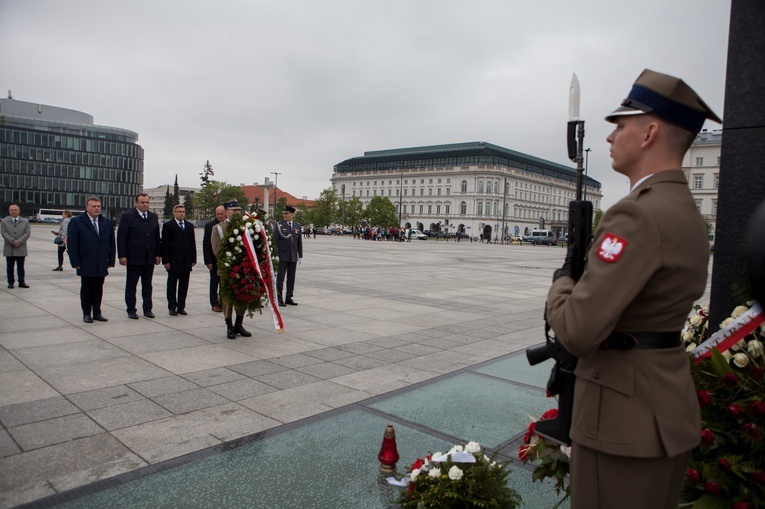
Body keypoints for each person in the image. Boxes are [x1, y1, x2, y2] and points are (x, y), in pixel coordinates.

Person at [545, 69, 721, 509]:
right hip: (660, 409)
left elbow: (577, 330)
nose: (610, 137)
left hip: (621, 419)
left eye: (620, 125)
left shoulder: (636, 215)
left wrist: (562, 281)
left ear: (649, 132)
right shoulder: (685, 211)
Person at [67, 196, 116, 323]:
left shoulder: (107, 222)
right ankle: (86, 313)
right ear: (87, 207)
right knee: (87, 289)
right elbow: (72, 244)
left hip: (101, 262)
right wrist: (75, 263)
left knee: (99, 288)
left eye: (98, 206)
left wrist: (110, 261)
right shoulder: (77, 221)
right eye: (93, 206)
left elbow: (111, 243)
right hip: (85, 262)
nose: (96, 208)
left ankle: (97, 312)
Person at [210, 199, 252, 339]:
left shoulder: (246, 227)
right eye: (234, 210)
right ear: (227, 212)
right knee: (227, 299)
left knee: (243, 297)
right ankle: (229, 325)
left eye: (239, 210)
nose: (237, 213)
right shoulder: (219, 229)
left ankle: (238, 324)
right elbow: (216, 250)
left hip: (244, 269)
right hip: (227, 269)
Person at [117, 194, 161, 319]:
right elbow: (121, 237)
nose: (145, 204)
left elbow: (156, 237)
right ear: (136, 203)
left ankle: (147, 309)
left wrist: (158, 254)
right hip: (133, 257)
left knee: (147, 285)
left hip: (149, 257)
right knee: (132, 285)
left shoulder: (153, 217)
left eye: (147, 202)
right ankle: (131, 309)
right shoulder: (127, 217)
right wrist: (122, 255)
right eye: (142, 202)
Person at [161, 204, 196, 316]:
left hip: (186, 261)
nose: (181, 213)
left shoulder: (189, 226)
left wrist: (193, 258)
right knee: (172, 285)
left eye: (183, 211)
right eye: (179, 211)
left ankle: (181, 306)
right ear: (174, 213)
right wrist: (166, 261)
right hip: (173, 261)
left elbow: (192, 243)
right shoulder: (168, 226)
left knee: (184, 285)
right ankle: (172, 306)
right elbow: (165, 245)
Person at [273, 205, 303, 306]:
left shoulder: (297, 226)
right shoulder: (279, 225)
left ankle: (289, 297)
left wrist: (300, 255)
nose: (284, 215)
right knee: (280, 278)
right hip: (282, 256)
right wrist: (276, 254)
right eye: (284, 213)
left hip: (293, 256)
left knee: (291, 278)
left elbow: (299, 242)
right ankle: (279, 297)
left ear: (292, 214)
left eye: (287, 213)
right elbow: (275, 241)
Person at [2, 203, 31, 288]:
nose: (13, 211)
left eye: (15, 210)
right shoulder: (4, 221)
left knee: (21, 267)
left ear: (18, 211)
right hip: (9, 247)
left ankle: (21, 282)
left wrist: (20, 241)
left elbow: (27, 233)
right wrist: (13, 241)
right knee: (10, 267)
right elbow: (4, 233)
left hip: (21, 247)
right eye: (11, 210)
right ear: (9, 211)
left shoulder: (25, 221)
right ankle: (10, 282)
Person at [203, 205, 226, 312]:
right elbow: (206, 244)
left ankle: (222, 302)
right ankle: (214, 303)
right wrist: (208, 261)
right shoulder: (210, 226)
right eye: (218, 214)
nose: (220, 216)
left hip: (225, 260)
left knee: (223, 283)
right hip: (214, 259)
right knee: (214, 282)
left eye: (221, 213)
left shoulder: (228, 224)